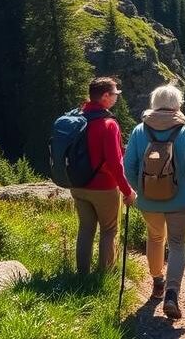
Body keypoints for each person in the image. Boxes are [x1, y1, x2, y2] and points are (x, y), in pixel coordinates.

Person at [124, 84, 185, 320]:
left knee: (155, 238)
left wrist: (141, 190)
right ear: (177, 105)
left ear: (154, 104)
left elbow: (128, 167)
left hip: (149, 202)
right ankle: (171, 294)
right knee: (177, 244)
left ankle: (158, 281)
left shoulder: (139, 131)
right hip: (180, 201)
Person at [71, 77, 136, 275]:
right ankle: (105, 276)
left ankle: (82, 275)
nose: (117, 97)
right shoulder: (109, 124)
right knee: (109, 230)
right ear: (105, 96)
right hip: (103, 188)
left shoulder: (77, 119)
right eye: (115, 94)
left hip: (78, 185)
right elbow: (115, 164)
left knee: (85, 229)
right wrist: (128, 191)